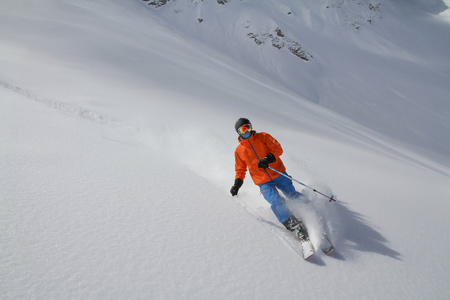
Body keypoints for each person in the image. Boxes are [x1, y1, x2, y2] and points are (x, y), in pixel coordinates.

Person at [230, 117, 308, 240]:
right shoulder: (239, 151)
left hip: (278, 173)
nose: (247, 131)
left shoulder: (263, 137)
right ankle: (293, 225)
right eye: (243, 129)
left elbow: (278, 148)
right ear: (238, 132)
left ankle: (308, 209)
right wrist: (237, 183)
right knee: (276, 201)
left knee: (291, 194)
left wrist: (268, 158)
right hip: (263, 181)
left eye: (248, 127)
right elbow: (240, 169)